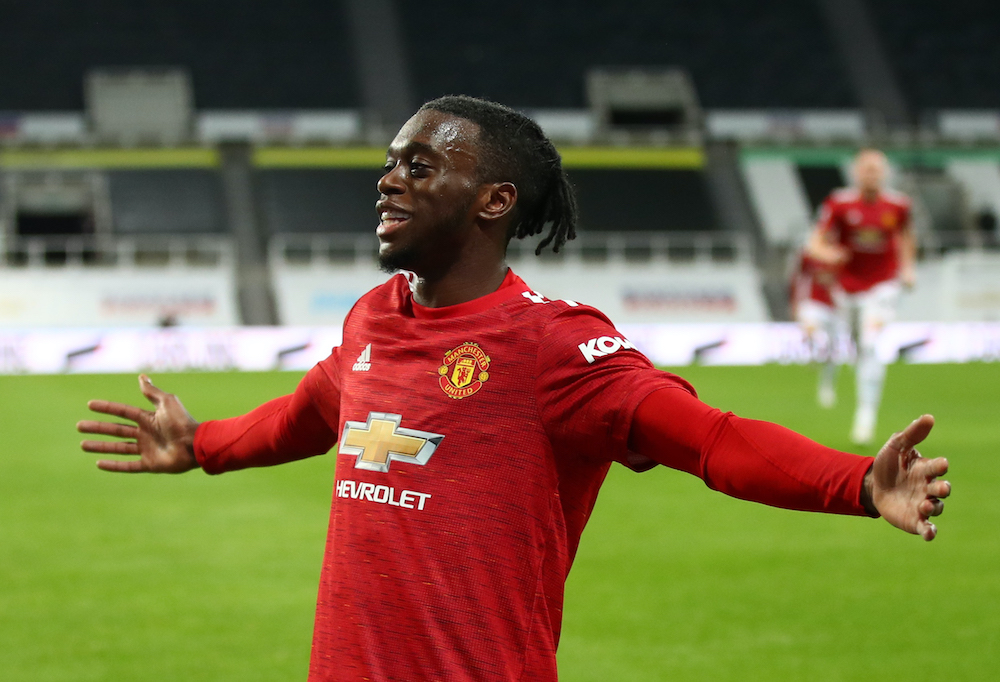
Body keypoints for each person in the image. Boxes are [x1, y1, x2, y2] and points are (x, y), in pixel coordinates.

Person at [78, 97, 949, 682]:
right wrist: (201, 447)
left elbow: (707, 437)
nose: (389, 178)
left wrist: (855, 485)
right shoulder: (372, 320)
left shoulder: (553, 345)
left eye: (421, 166)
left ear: (495, 201)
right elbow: (310, 414)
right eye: (391, 162)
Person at [806, 149, 916, 444]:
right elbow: (815, 241)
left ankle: (865, 416)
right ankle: (846, 390)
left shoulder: (898, 205)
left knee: (869, 346)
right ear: (855, 173)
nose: (872, 174)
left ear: (885, 173)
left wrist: (907, 268)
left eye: (877, 169)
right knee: (856, 346)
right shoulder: (839, 204)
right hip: (847, 289)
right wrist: (829, 253)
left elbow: (906, 237)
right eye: (866, 169)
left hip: (883, 287)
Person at [790, 246, 841, 408]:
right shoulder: (809, 254)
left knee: (834, 351)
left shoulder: (843, 251)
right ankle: (814, 349)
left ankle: (827, 386)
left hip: (837, 307)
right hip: (813, 303)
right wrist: (796, 303)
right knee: (814, 331)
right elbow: (799, 278)